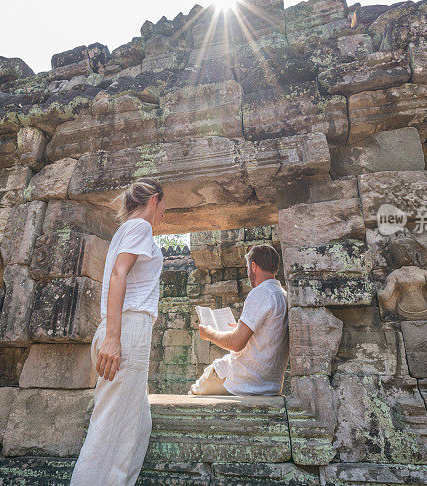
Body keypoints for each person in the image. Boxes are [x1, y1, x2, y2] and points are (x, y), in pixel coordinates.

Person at [70, 178, 165, 486]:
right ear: (154, 200)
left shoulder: (125, 230)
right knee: (109, 429)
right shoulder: (141, 227)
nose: (163, 211)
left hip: (122, 328)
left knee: (137, 427)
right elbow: (118, 274)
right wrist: (113, 337)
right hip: (125, 328)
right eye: (163, 205)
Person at [189, 244, 288, 396]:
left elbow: (236, 344)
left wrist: (209, 333)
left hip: (243, 382)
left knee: (195, 391)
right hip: (271, 384)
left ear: (253, 266)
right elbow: (270, 332)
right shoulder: (283, 295)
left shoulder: (261, 293)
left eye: (248, 268)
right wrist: (243, 328)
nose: (248, 272)